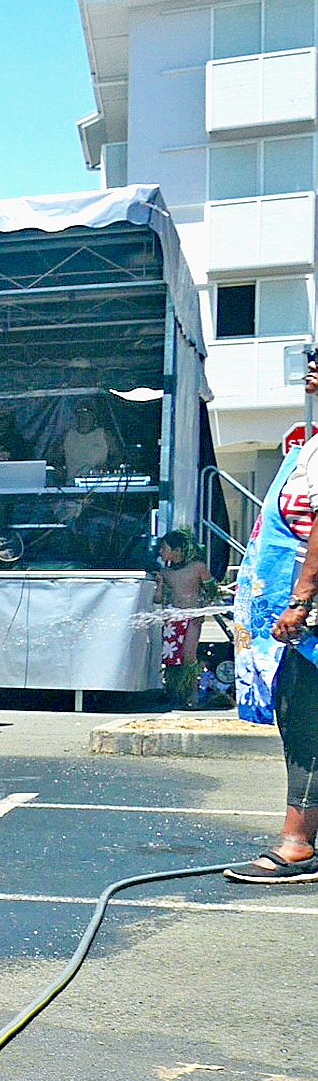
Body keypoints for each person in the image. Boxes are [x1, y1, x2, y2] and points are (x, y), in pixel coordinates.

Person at [228, 363, 318, 882]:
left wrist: (302, 599)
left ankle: (298, 842)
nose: (311, 364)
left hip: (309, 613)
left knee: (306, 717)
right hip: (299, 610)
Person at [153, 531, 217, 704]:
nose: (161, 552)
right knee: (171, 657)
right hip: (173, 616)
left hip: (192, 616)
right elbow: (158, 599)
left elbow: (212, 590)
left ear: (178, 550)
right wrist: (159, 584)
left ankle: (192, 695)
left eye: (164, 548)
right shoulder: (165, 572)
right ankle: (174, 692)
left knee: (189, 655)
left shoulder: (198, 567)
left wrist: (201, 609)